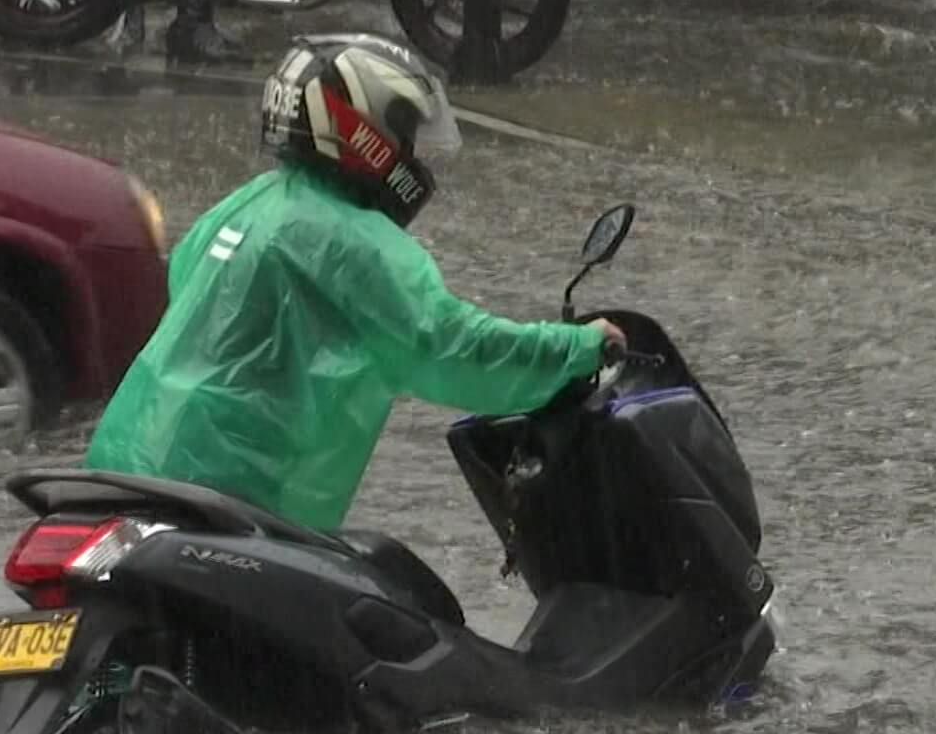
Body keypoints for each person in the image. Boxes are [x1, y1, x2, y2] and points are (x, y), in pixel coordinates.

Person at [83, 32, 626, 532]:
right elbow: (449, 345)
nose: (409, 152)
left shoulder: (247, 203)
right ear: (359, 128)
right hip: (225, 498)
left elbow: (186, 285)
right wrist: (576, 347)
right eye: (403, 130)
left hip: (126, 462)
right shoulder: (351, 242)